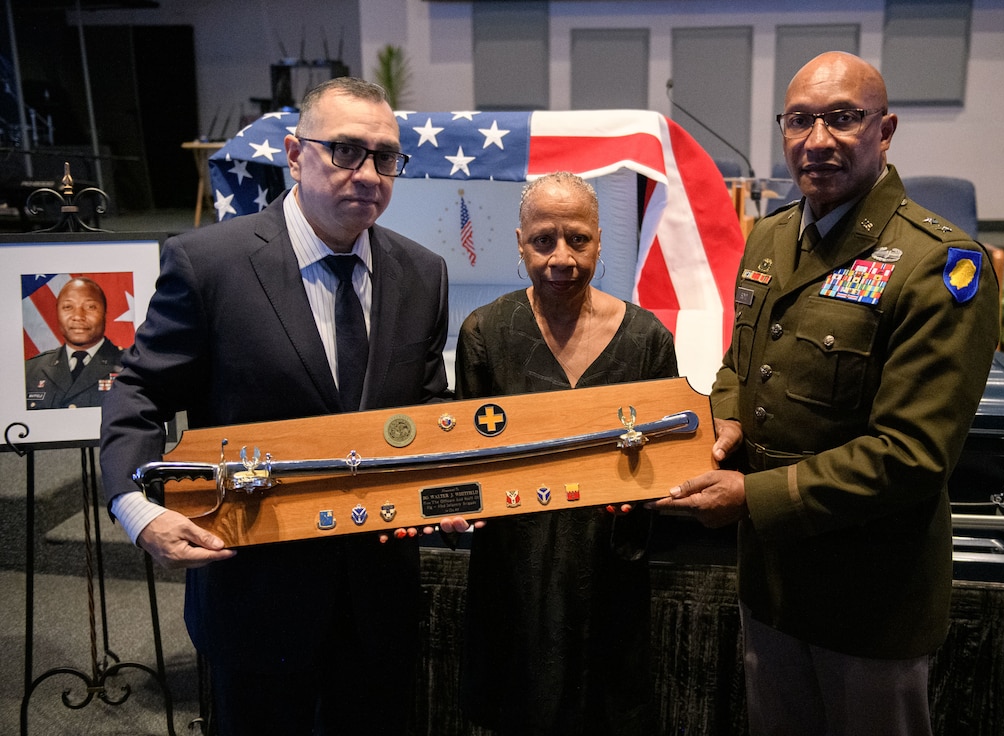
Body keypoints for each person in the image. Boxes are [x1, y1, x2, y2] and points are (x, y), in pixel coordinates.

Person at [655, 52, 1000, 735]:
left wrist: (749, 497)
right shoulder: (771, 237)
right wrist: (723, 424)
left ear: (886, 128)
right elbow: (738, 367)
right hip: (773, 585)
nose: (818, 140)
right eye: (800, 120)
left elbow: (911, 455)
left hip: (869, 598)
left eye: (843, 119)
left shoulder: (939, 265)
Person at [99, 77, 451, 735]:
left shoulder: (422, 273)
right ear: (294, 155)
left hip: (379, 598)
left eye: (385, 156)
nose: (369, 173)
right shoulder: (209, 265)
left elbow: (426, 407)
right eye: (345, 151)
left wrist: (452, 491)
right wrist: (137, 508)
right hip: (255, 594)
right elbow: (139, 390)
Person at [455, 171, 678, 735]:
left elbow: (664, 463)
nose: (562, 257)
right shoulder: (485, 334)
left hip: (609, 578)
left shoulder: (647, 340)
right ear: (520, 242)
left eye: (578, 239)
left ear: (601, 241)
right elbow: (466, 462)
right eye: (543, 240)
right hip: (513, 577)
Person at [25, 276, 124, 409]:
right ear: (57, 313)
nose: (78, 316)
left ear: (105, 313)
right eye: (68, 307)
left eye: (90, 307)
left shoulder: (131, 365)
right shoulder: (30, 370)